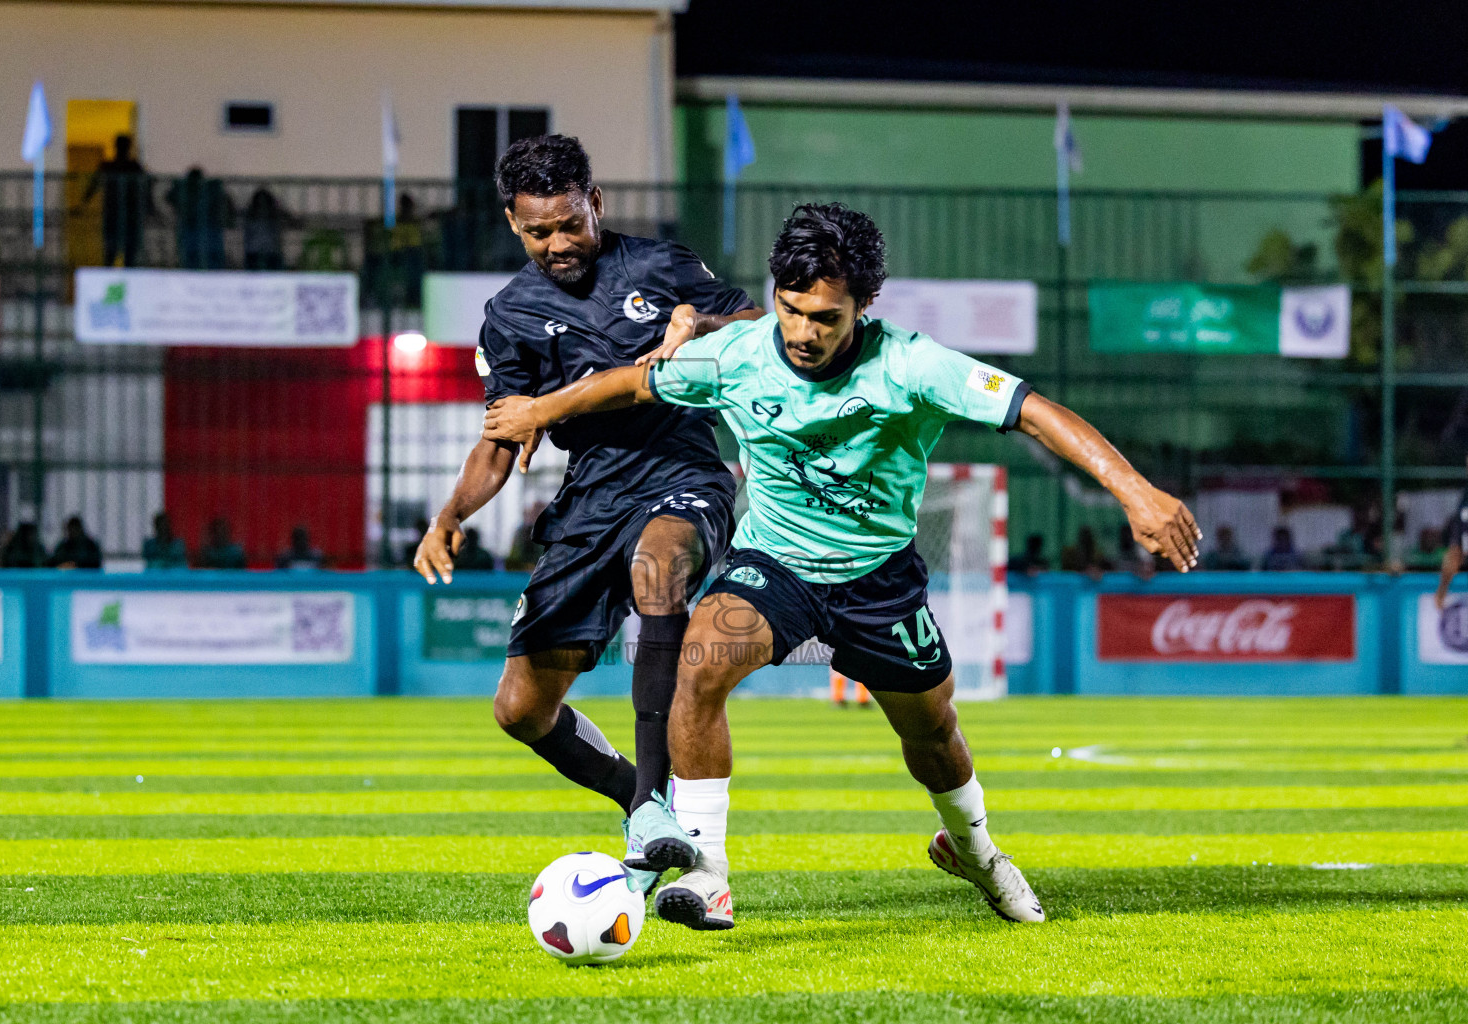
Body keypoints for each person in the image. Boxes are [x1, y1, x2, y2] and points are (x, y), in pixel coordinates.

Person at [484, 202, 1201, 929]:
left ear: (864, 305)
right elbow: (634, 383)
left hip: (877, 585)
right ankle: (708, 874)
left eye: (825, 317)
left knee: (932, 732)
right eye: (790, 310)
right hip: (774, 567)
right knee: (700, 664)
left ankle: (978, 852)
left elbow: (1035, 411)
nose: (802, 332)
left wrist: (1137, 494)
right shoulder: (740, 354)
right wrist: (542, 411)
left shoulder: (913, 363)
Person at [412, 133, 764, 895]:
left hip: (683, 467)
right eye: (540, 230)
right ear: (513, 223)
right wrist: (451, 512)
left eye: (571, 222)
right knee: (519, 710)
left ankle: (647, 814)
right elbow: (503, 440)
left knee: (658, 567)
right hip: (589, 499)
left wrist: (695, 326)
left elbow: (757, 324)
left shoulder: (658, 264)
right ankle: (643, 795)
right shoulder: (508, 316)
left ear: (594, 203)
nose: (559, 242)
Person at [80, 134, 152, 268]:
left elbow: (93, 186)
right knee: (117, 254)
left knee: (119, 254)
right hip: (120, 216)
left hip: (124, 216)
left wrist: (83, 204)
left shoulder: (128, 167)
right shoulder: (127, 167)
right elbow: (93, 186)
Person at [165, 167, 233, 269]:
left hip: (207, 229)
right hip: (191, 228)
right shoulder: (184, 191)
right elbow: (169, 197)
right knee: (191, 257)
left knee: (209, 257)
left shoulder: (211, 191)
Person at [1435, 461, 1468, 609]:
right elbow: (1455, 550)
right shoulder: (1464, 502)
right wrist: (1442, 589)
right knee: (1452, 555)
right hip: (1462, 553)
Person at [242, 187, 294, 270]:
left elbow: (292, 222)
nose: (262, 205)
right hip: (258, 251)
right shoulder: (250, 214)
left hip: (269, 251)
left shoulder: (274, 213)